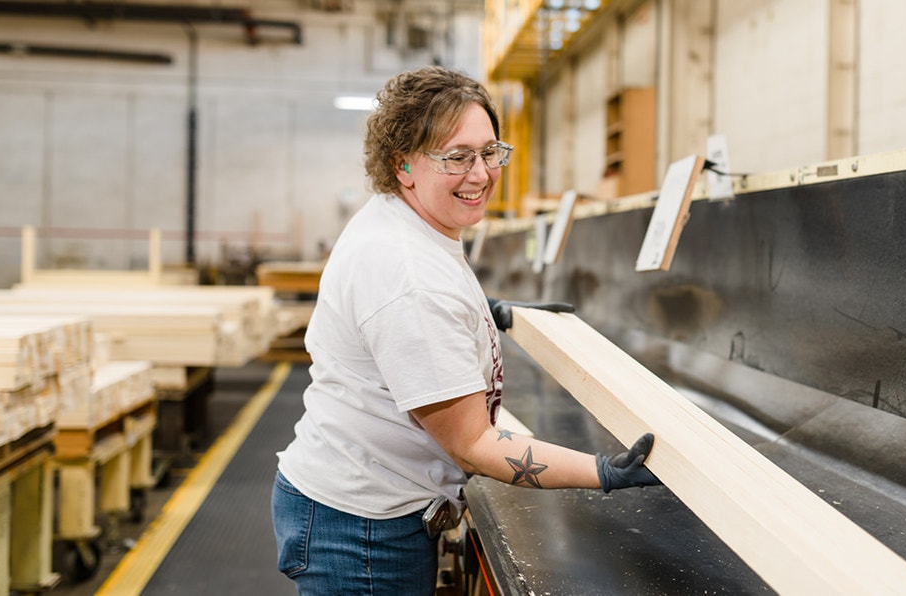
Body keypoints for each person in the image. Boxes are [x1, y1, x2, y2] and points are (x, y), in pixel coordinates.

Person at [272, 65, 662, 595]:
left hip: (360, 503)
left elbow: (410, 309)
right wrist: (602, 471)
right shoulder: (408, 278)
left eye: (489, 152)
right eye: (457, 157)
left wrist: (483, 311)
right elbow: (473, 444)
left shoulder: (404, 218)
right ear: (403, 164)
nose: (480, 174)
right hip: (362, 531)